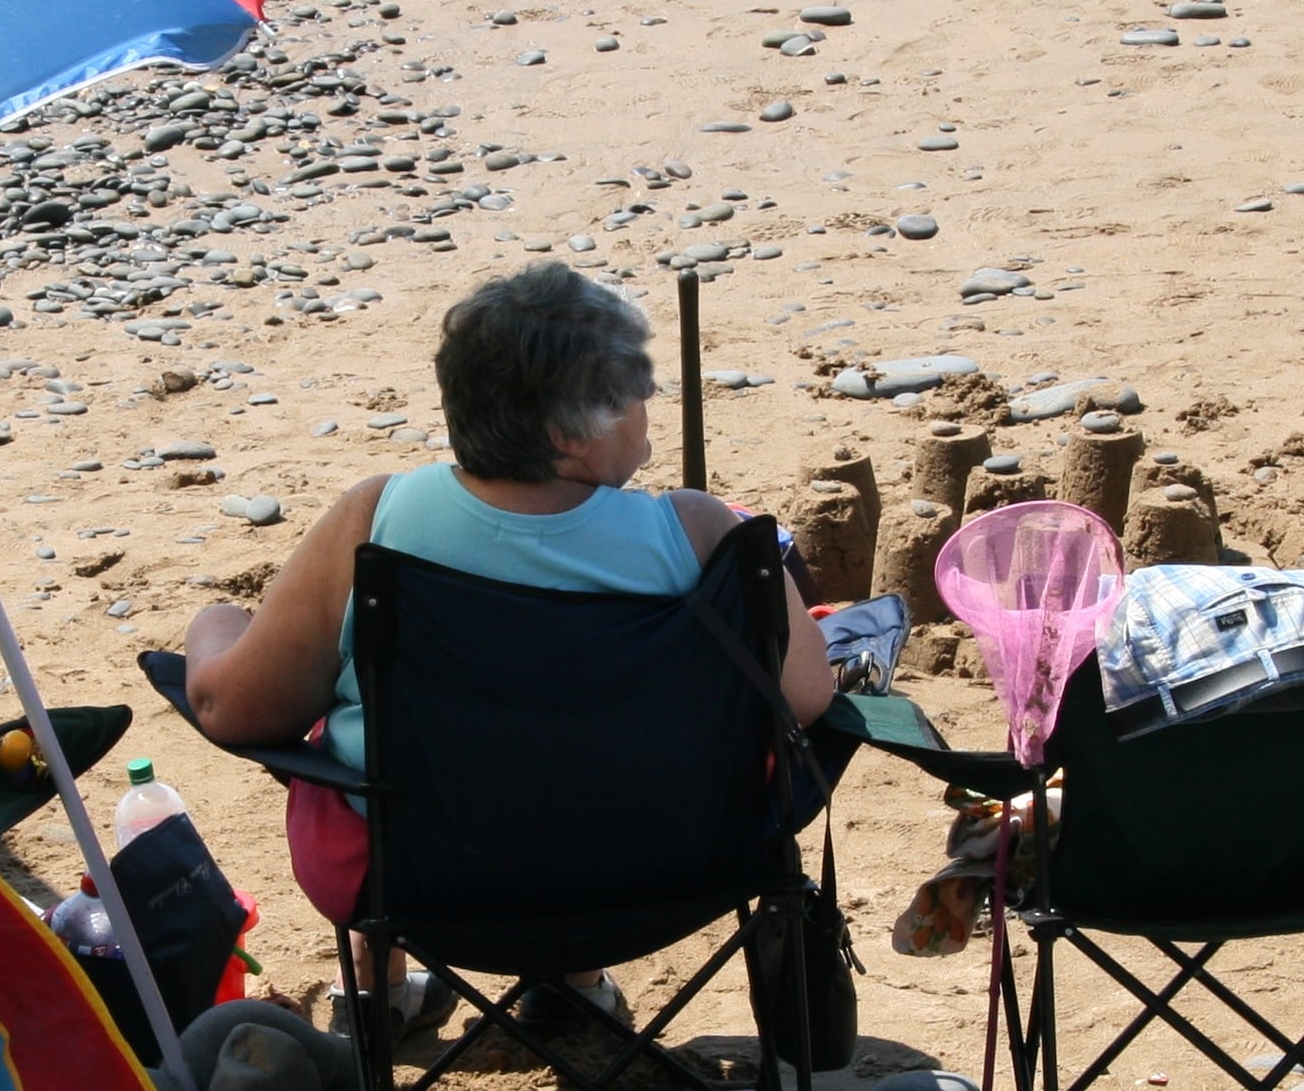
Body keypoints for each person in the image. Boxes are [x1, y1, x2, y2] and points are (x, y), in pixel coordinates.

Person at [178, 262, 835, 1009]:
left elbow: (234, 710)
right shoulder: (699, 532)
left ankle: (376, 986)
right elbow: (809, 698)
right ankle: (576, 986)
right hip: (674, 874)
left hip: (420, 889)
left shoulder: (377, 522)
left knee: (355, 720)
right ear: (566, 431)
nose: (649, 398)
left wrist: (214, 627)